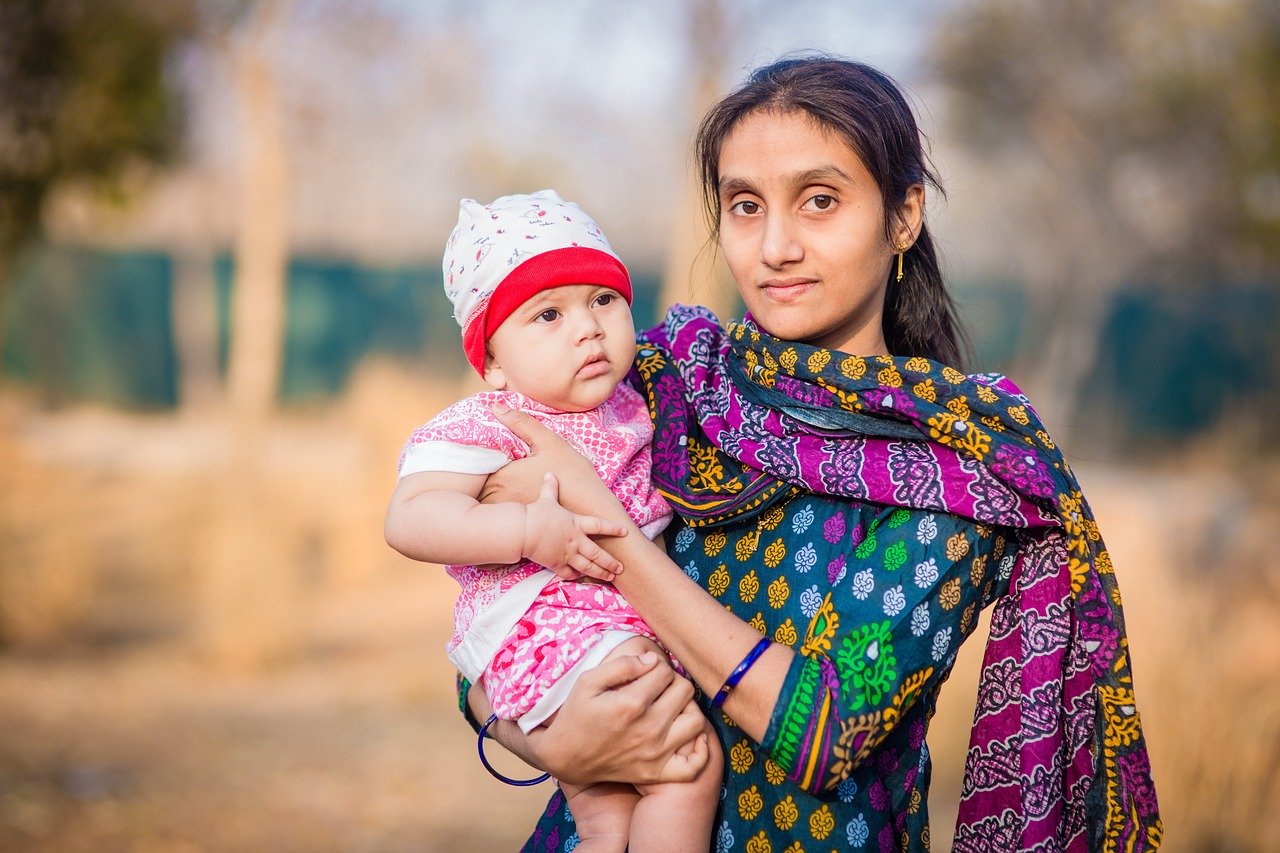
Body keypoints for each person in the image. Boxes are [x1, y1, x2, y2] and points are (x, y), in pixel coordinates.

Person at [462, 57, 1162, 851]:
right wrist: (547, 739)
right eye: (745, 206)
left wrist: (608, 535)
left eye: (819, 200)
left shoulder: (954, 465)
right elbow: (490, 616)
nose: (775, 246)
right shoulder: (660, 387)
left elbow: (826, 726)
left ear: (903, 216)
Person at [385, 190, 721, 852]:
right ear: (492, 363)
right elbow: (410, 517)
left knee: (609, 820)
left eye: (604, 299)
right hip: (551, 627)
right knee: (687, 761)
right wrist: (524, 531)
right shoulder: (494, 422)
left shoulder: (637, 404)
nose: (588, 327)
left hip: (609, 630)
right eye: (548, 314)